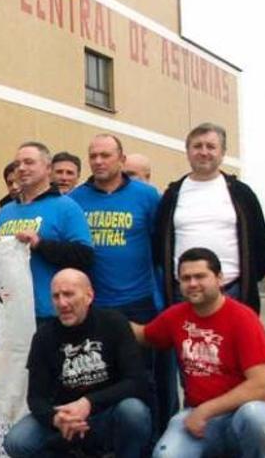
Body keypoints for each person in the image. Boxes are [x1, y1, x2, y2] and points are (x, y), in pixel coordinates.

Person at [70, 134, 178, 432]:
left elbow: (162, 245)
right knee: (96, 379)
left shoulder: (147, 196)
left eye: (105, 155)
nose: (99, 161)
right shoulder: (74, 200)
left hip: (138, 304)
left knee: (146, 379)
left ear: (121, 159)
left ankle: (155, 442)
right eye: (93, 156)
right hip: (94, 306)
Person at [132, 248, 265, 458]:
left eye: (200, 276)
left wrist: (206, 410)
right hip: (198, 420)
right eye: (185, 278)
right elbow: (143, 335)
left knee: (257, 418)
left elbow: (260, 386)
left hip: (240, 414)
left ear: (219, 278)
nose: (192, 283)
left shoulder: (243, 318)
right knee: (167, 455)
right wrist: (100, 315)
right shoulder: (175, 317)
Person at [4, 270, 150, 458]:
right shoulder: (43, 336)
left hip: (106, 413)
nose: (62, 303)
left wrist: (88, 403)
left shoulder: (114, 323)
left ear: (89, 296)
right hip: (65, 420)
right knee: (17, 441)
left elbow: (136, 381)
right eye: (56, 296)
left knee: (134, 412)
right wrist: (56, 418)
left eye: (69, 294)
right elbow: (35, 398)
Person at [154, 123, 265, 313]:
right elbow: (158, 243)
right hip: (182, 294)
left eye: (210, 146)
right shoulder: (173, 194)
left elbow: (260, 243)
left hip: (233, 292)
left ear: (223, 152)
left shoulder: (241, 194)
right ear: (188, 152)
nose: (203, 152)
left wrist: (247, 280)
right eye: (197, 146)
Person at [0, 142, 93, 323]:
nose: (22, 168)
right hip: (10, 313)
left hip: (49, 314)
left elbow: (84, 256)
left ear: (48, 168)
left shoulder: (67, 207)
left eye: (29, 162)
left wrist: (40, 244)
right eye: (17, 165)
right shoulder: (4, 212)